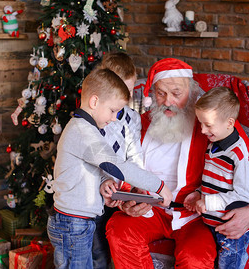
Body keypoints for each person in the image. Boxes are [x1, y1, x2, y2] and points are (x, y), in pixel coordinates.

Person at [106, 58, 249, 268]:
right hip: (151, 209)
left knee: (195, 258)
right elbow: (125, 166)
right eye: (161, 93)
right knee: (119, 230)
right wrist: (128, 198)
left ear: (191, 92)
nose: (168, 101)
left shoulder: (211, 124)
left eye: (177, 93)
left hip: (195, 215)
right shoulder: (141, 122)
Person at [47, 68, 172, 269]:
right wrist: (158, 185)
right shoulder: (83, 132)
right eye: (113, 111)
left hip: (78, 221)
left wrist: (105, 183)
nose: (115, 118)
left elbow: (87, 169)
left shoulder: (86, 129)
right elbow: (115, 164)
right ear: (94, 102)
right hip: (72, 223)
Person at [184, 87, 249, 269]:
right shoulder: (213, 145)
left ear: (229, 123)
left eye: (208, 125)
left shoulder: (238, 155)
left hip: (231, 230)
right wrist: (199, 193)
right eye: (201, 123)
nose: (202, 130)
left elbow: (244, 195)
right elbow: (215, 180)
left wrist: (208, 202)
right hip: (213, 223)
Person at [92, 52, 143, 269]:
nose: (126, 97)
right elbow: (91, 159)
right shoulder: (94, 118)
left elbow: (135, 156)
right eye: (122, 91)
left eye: (130, 91)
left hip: (121, 193)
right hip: (96, 194)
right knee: (97, 251)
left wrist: (139, 184)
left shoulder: (133, 118)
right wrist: (103, 183)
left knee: (117, 248)